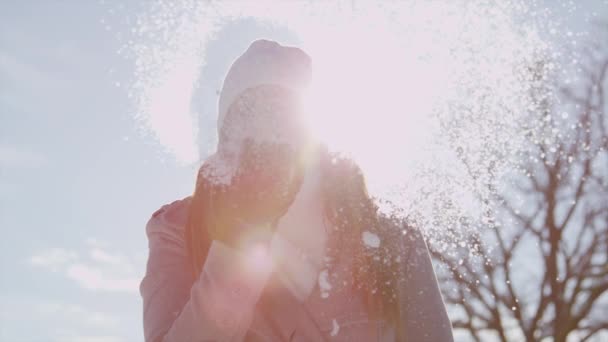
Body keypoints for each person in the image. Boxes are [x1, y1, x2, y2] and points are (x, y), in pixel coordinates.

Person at [140, 39, 453, 341]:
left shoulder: (390, 236)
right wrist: (239, 239)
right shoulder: (180, 229)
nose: (270, 135)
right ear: (227, 139)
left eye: (282, 115)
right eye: (250, 115)